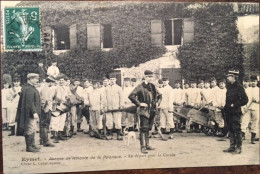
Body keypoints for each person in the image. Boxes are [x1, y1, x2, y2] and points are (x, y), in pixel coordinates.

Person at [129, 70, 162, 154]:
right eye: (149, 77)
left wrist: (157, 103)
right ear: (145, 77)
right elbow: (131, 96)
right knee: (143, 128)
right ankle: (143, 147)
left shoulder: (153, 86)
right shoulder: (140, 87)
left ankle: (147, 145)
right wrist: (140, 103)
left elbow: (160, 95)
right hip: (144, 111)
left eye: (152, 77)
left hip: (152, 110)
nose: (151, 78)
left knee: (148, 128)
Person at [223, 70, 248, 154]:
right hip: (229, 112)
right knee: (230, 128)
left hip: (235, 112)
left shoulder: (239, 87)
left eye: (229, 76)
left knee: (237, 129)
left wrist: (235, 104)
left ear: (233, 77)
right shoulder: (230, 86)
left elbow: (245, 100)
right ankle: (232, 146)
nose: (227, 78)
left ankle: (239, 148)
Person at [16, 73, 41, 152]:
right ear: (30, 79)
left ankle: (32, 144)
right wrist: (34, 112)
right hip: (30, 113)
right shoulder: (28, 88)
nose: (37, 80)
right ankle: (29, 147)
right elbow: (30, 103)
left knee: (33, 128)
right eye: (35, 79)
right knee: (30, 128)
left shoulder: (31, 88)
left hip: (33, 112)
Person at [104, 74, 124, 140]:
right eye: (111, 79)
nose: (112, 80)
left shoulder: (119, 88)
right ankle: (110, 134)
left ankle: (119, 134)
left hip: (116, 106)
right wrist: (105, 106)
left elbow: (121, 97)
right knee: (109, 120)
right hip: (109, 107)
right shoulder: (106, 88)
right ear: (109, 80)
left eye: (113, 79)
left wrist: (121, 105)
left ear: (116, 80)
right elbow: (104, 98)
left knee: (117, 120)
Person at [39, 76, 55, 147]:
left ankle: (42, 140)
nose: (52, 84)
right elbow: (45, 100)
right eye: (52, 82)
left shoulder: (44, 87)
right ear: (50, 82)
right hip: (46, 108)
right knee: (45, 124)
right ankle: (46, 141)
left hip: (46, 107)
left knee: (43, 124)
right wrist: (46, 109)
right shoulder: (45, 88)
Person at [247, 75, 259, 144]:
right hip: (248, 108)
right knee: (244, 121)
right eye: (252, 81)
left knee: (255, 122)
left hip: (256, 108)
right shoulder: (247, 89)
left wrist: (256, 100)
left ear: (257, 82)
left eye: (254, 81)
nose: (253, 83)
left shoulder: (258, 89)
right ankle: (241, 136)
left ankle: (253, 138)